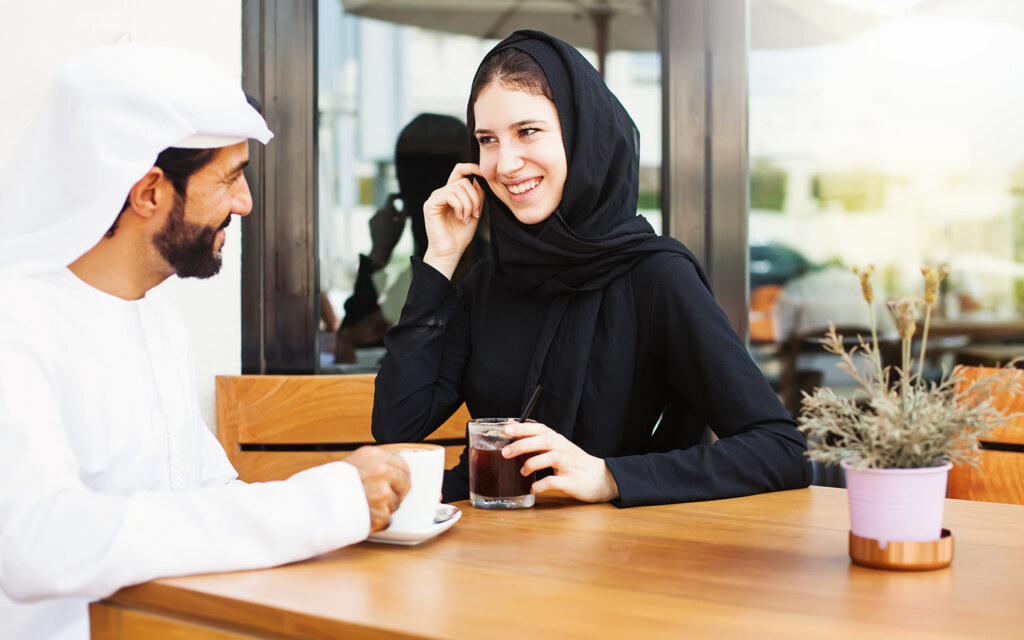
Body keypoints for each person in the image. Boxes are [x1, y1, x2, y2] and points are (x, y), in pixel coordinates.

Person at [0, 43, 409, 640]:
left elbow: (208, 492)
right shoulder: (15, 323)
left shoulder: (159, 321)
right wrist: (321, 505)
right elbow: (39, 542)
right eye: (230, 178)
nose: (244, 203)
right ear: (149, 192)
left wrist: (347, 500)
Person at [371, 30, 813, 506]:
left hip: (612, 560)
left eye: (528, 131)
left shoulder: (656, 277)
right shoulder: (488, 284)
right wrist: (441, 259)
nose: (506, 162)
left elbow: (781, 449)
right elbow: (398, 425)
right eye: (487, 140)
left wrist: (609, 476)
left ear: (582, 133)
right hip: (487, 551)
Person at [333, 113, 487, 364]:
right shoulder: (416, 279)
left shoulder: (474, 275)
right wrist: (378, 254)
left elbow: (357, 342)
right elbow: (355, 341)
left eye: (407, 180)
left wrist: (378, 255)